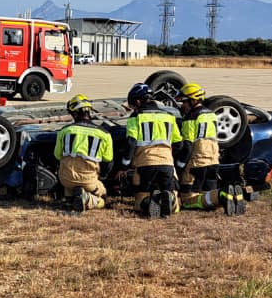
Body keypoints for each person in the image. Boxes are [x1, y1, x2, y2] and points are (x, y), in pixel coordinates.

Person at [123, 82, 180, 218]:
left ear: (137, 101)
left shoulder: (136, 117)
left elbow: (131, 143)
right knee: (176, 204)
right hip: (167, 163)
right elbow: (179, 143)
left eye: (132, 105)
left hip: (145, 164)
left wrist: (124, 165)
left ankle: (149, 202)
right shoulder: (169, 117)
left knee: (139, 201)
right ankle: (169, 199)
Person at [53, 94, 114, 211]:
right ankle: (87, 199)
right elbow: (108, 161)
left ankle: (71, 199)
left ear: (74, 114)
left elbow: (57, 155)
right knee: (103, 197)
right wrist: (103, 176)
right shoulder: (104, 134)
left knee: (71, 196)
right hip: (89, 180)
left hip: (66, 180)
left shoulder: (65, 131)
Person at [176, 82, 222, 210]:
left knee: (187, 199)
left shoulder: (190, 118)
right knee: (209, 193)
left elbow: (188, 145)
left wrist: (179, 165)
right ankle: (223, 196)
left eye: (184, 102)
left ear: (192, 101)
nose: (182, 106)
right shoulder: (211, 114)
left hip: (197, 162)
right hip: (213, 160)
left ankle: (223, 197)